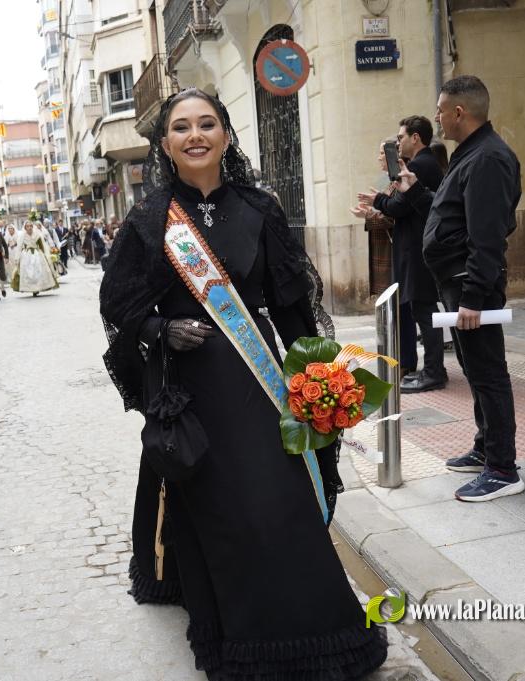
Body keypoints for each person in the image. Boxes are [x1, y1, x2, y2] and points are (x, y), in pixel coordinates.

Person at [99, 89, 386, 679]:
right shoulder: (150, 219)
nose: (195, 135)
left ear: (227, 136)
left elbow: (292, 306)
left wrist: (319, 379)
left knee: (278, 504)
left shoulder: (260, 209)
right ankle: (238, 638)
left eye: (208, 124)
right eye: (182, 127)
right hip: (192, 391)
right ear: (166, 144)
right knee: (220, 513)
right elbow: (119, 304)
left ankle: (318, 632)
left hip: (257, 385)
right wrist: (158, 327)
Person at [395, 75, 524, 502]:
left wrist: (472, 297)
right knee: (474, 371)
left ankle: (503, 469)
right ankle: (486, 447)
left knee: (488, 374)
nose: (435, 116)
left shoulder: (487, 159)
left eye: (439, 109)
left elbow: (487, 237)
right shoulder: (470, 155)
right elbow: (451, 214)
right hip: (460, 284)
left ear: (459, 112)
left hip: (473, 288)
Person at [357, 116, 447, 392]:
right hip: (418, 247)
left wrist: (378, 201)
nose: (398, 143)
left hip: (419, 250)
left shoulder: (421, 165)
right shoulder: (424, 163)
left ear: (415, 138)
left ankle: (434, 371)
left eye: (401, 138)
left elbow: (399, 206)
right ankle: (430, 369)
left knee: (424, 310)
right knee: (421, 309)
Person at [12, 222, 58, 296]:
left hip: (37, 254)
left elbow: (41, 245)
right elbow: (19, 248)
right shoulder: (22, 236)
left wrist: (45, 255)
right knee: (28, 272)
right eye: (27, 226)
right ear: (25, 228)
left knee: (39, 271)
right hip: (26, 255)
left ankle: (38, 287)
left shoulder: (37, 235)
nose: (29, 228)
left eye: (30, 226)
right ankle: (32, 288)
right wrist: (17, 258)